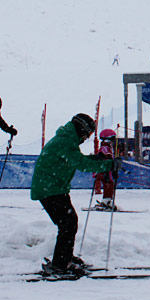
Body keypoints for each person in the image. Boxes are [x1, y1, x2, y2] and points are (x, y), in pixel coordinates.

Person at [31, 113, 115, 277]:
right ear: (81, 128)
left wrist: (97, 159)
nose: (86, 138)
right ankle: (61, 264)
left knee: (68, 223)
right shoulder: (66, 142)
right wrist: (108, 164)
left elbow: (77, 159)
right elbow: (81, 164)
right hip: (50, 189)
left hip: (54, 188)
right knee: (68, 224)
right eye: (87, 134)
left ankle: (64, 258)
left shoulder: (66, 139)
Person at [91, 128, 119, 211]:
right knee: (108, 185)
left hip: (106, 171)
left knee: (109, 185)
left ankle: (107, 201)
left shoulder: (107, 148)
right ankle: (106, 202)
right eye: (111, 140)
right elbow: (105, 159)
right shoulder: (105, 148)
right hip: (104, 172)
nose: (112, 142)